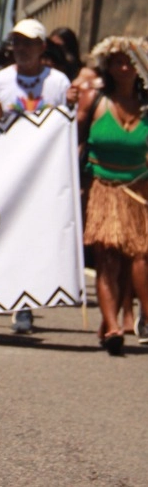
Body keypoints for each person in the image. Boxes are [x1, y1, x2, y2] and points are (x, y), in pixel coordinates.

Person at [0, 17, 72, 334]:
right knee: (9, 236)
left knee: (34, 239)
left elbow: (68, 127)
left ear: (41, 47)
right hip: (8, 171)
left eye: (28, 42)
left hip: (45, 172)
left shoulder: (59, 83)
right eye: (17, 42)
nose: (21, 48)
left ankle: (27, 304)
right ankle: (12, 299)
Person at [76, 37, 148, 356]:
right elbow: (74, 140)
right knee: (107, 259)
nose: (123, 67)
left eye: (129, 62)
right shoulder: (94, 100)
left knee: (139, 255)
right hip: (101, 188)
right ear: (108, 66)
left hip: (139, 190)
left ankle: (141, 315)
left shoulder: (147, 106)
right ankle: (113, 326)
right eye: (117, 61)